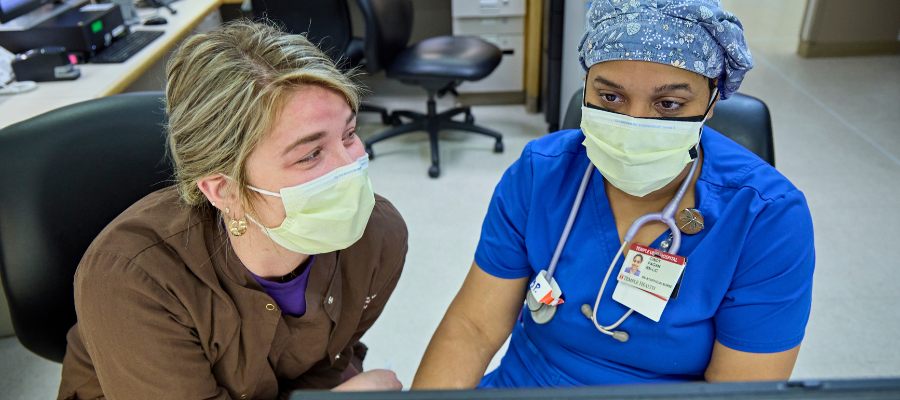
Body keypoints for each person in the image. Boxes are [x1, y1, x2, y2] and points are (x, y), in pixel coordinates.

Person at [413, 0, 814, 389]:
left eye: (669, 104)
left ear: (711, 101)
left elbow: (737, 390)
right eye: (610, 97)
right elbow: (473, 329)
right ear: (586, 85)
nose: (634, 123)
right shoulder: (541, 173)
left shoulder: (766, 217)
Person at [57, 21, 407, 399]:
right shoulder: (132, 279)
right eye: (310, 154)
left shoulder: (378, 236)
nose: (350, 167)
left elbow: (327, 363)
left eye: (349, 134)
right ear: (225, 189)